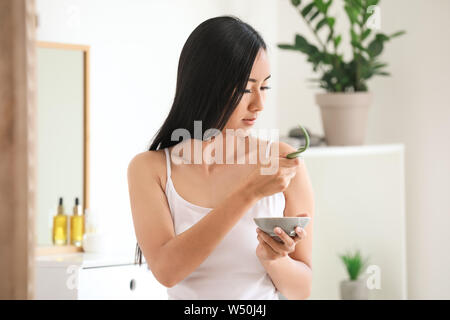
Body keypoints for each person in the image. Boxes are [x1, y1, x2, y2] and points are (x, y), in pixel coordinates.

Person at [127, 15, 314, 300]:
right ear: (205, 85)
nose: (259, 104)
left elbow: (304, 290)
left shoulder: (283, 161)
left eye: (264, 87)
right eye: (245, 89)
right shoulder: (151, 169)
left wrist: (274, 259)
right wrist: (249, 192)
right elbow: (167, 271)